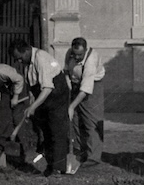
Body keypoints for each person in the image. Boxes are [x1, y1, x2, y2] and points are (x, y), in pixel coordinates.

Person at [9, 39, 70, 176]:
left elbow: (48, 88)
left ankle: (58, 167)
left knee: (56, 130)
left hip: (56, 94)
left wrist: (33, 107)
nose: (19, 61)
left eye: (19, 58)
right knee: (45, 131)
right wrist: (32, 99)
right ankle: (49, 165)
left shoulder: (40, 58)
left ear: (26, 50)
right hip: (44, 95)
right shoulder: (26, 63)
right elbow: (33, 85)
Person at [64, 37, 105, 168]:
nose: (76, 58)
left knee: (90, 121)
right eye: (74, 55)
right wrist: (69, 84)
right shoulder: (69, 53)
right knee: (75, 120)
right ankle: (79, 151)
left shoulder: (90, 61)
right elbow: (66, 71)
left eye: (80, 55)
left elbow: (86, 89)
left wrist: (71, 106)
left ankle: (93, 157)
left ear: (85, 50)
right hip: (76, 86)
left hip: (92, 87)